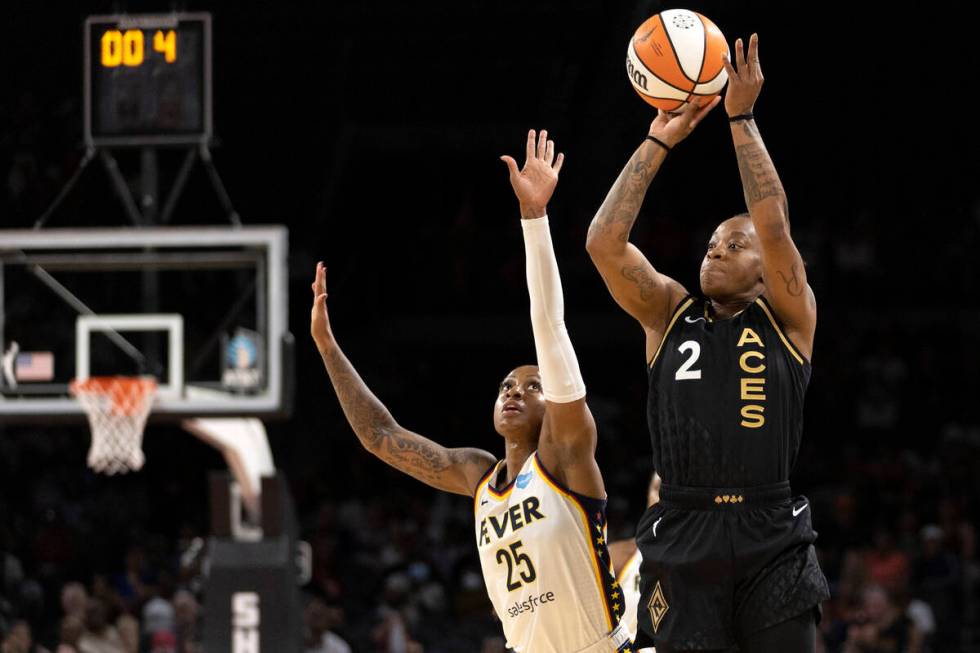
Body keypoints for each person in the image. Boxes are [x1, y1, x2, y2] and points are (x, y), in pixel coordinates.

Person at [312, 130, 631, 652]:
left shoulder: (566, 457)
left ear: (554, 402)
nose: (514, 392)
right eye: (507, 385)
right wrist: (327, 347)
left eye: (532, 386)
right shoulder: (476, 475)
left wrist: (535, 220)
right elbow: (381, 437)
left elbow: (550, 326)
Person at [585, 34, 829, 652]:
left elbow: (772, 221)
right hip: (683, 526)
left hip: (770, 530)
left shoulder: (789, 317)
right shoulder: (668, 312)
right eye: (712, 242)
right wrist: (657, 141)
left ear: (764, 269)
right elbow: (603, 244)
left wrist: (741, 120)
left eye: (734, 244)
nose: (716, 248)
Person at [608, 473, 661, 646]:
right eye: (659, 490)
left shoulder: (706, 563)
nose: (664, 501)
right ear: (648, 496)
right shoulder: (617, 556)